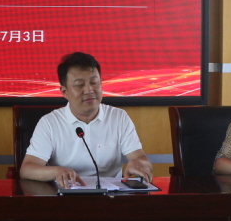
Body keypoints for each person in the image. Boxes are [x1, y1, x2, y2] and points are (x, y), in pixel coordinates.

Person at [20, 52, 153, 189]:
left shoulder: (119, 117)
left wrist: (139, 163)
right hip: (67, 194)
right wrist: (57, 172)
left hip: (111, 195)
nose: (89, 90)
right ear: (64, 91)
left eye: (94, 83)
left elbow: (142, 159)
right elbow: (27, 169)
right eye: (79, 85)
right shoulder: (49, 123)